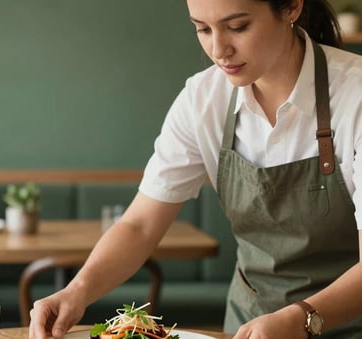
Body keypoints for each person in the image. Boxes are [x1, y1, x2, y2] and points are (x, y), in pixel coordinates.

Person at [29, 0, 362, 338]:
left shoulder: (355, 94)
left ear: (291, 7)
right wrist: (76, 291)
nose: (219, 50)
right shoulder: (202, 100)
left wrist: (299, 319)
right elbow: (140, 225)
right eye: (203, 29)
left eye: (238, 27)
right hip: (249, 325)